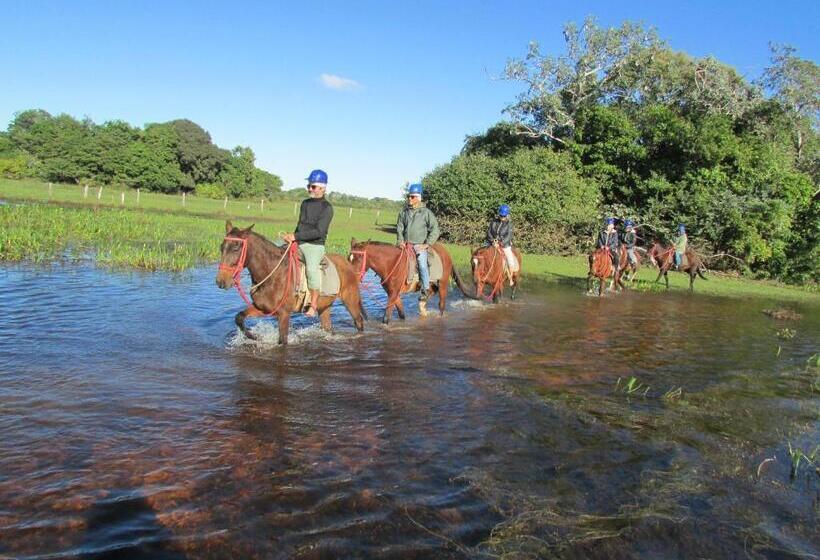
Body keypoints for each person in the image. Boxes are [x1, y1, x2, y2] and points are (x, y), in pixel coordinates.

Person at [282, 169, 334, 317]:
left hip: (315, 245)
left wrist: (295, 236)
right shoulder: (305, 203)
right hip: (298, 241)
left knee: (311, 270)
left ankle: (314, 304)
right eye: (308, 186)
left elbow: (319, 232)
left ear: (322, 188)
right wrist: (291, 238)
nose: (309, 189)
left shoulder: (327, 208)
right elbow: (301, 224)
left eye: (313, 186)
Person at [396, 183, 440, 301]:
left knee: (422, 263)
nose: (409, 199)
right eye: (408, 196)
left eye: (412, 197)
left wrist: (427, 244)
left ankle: (425, 289)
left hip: (419, 245)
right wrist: (400, 240)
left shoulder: (426, 213)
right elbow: (400, 227)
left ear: (418, 198)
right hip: (405, 244)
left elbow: (435, 229)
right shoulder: (404, 212)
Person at [485, 204, 517, 286]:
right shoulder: (494, 221)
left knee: (510, 260)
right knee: (481, 254)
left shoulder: (509, 224)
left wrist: (500, 243)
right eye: (501, 215)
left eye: (504, 216)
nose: (502, 217)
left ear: (507, 215)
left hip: (504, 245)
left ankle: (510, 278)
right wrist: (492, 241)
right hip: (491, 242)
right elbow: (489, 232)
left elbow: (509, 236)